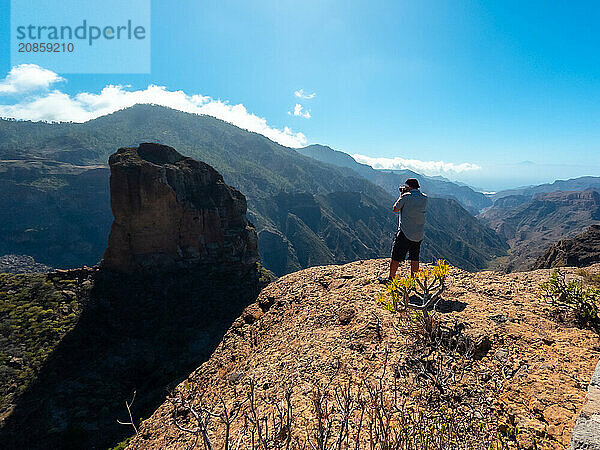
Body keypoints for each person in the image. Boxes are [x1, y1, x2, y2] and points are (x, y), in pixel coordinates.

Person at [380, 178, 428, 283]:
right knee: (414, 257)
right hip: (418, 233)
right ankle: (413, 281)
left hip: (405, 232)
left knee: (396, 255)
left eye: (405, 187)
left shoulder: (406, 197)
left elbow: (395, 208)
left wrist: (401, 195)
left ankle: (391, 278)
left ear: (409, 187)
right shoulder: (424, 198)